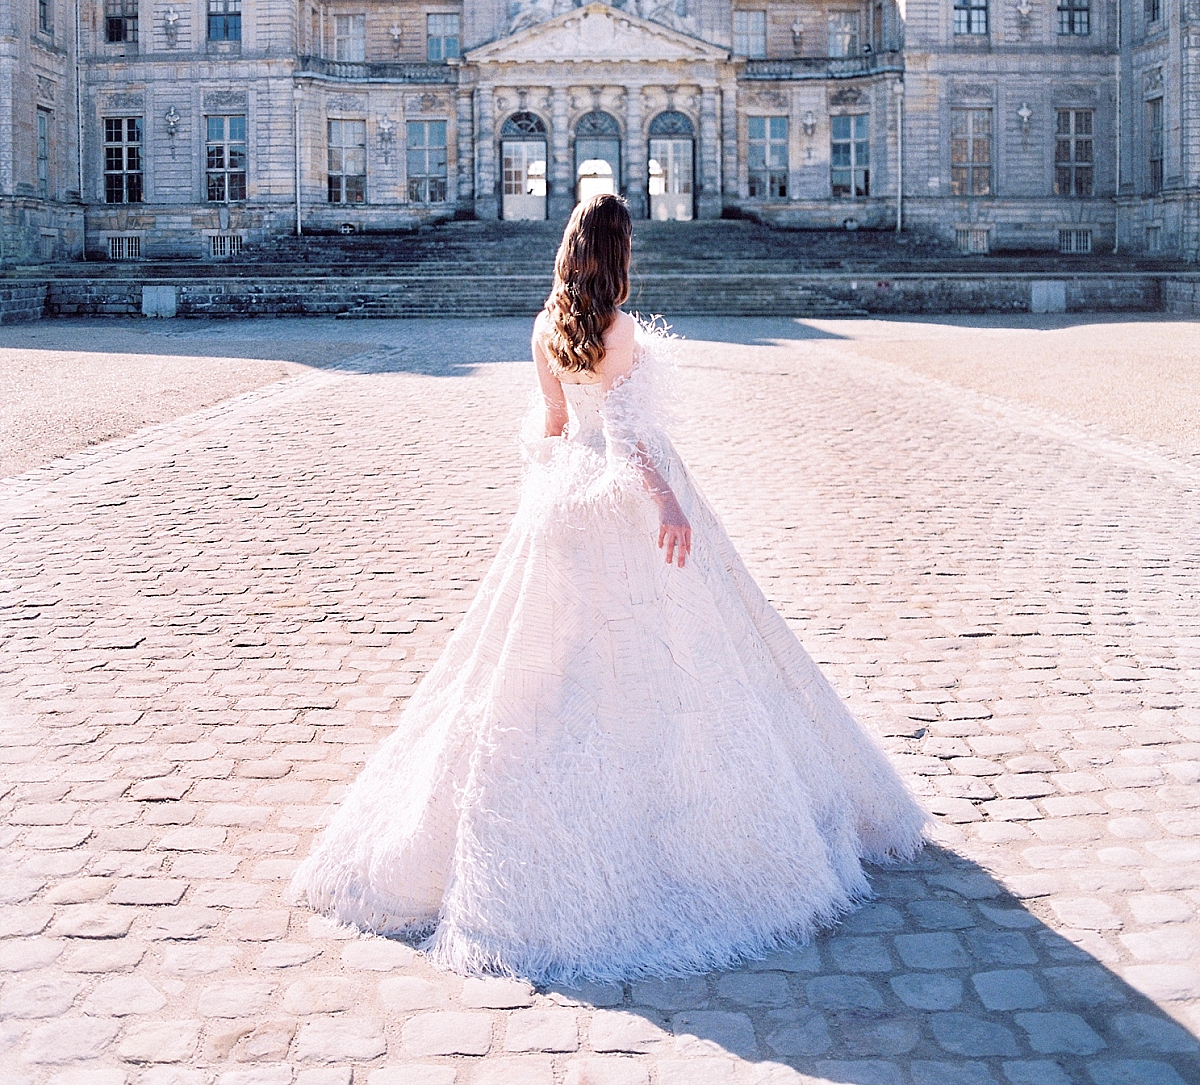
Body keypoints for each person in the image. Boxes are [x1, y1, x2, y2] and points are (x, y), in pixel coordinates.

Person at [294, 195, 925, 982]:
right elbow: (626, 438)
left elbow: (554, 423)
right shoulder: (619, 331)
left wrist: (543, 493)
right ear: (617, 253)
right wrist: (666, 503)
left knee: (548, 657)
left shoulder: (544, 324)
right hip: (627, 495)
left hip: (564, 498)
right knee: (670, 646)